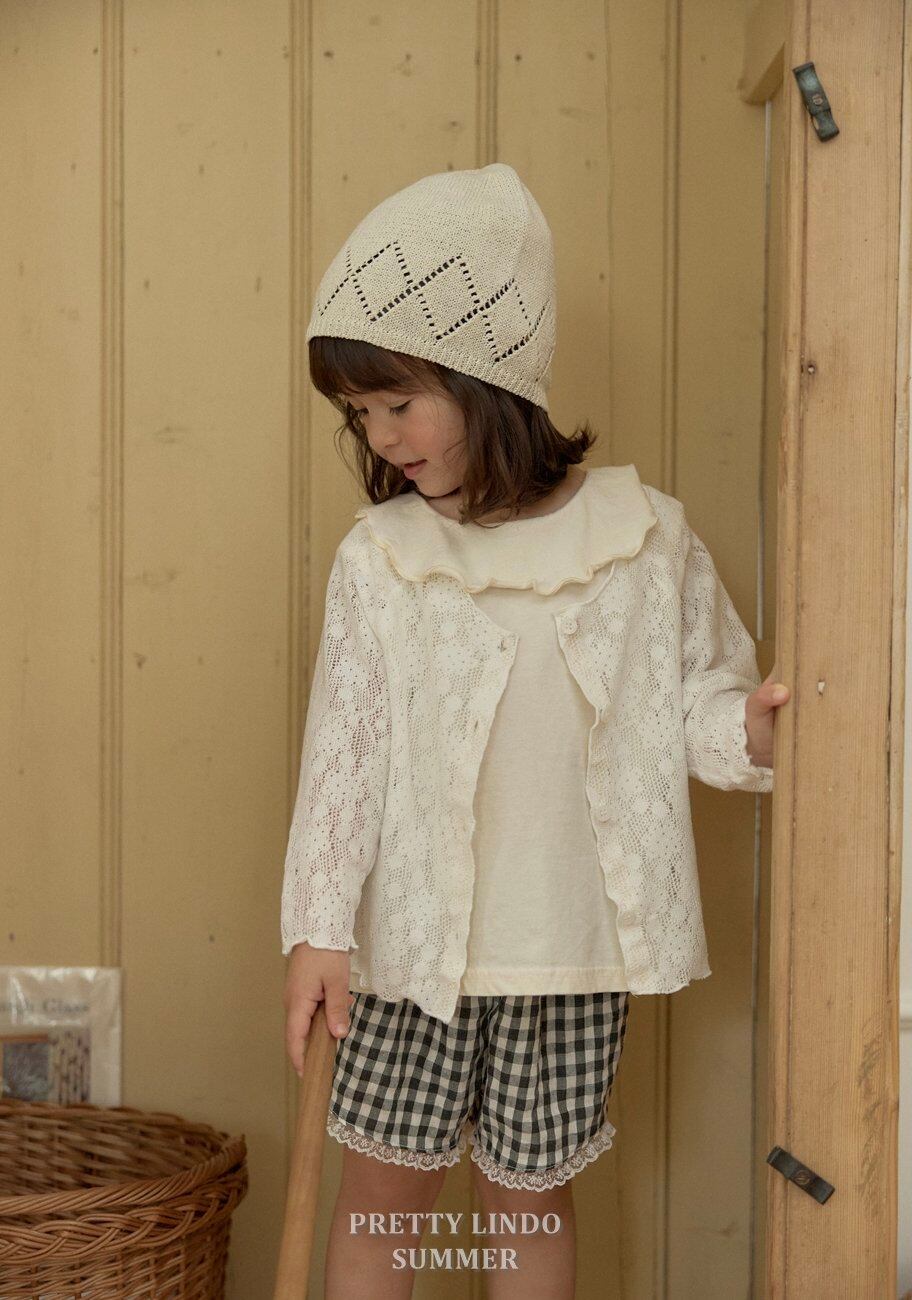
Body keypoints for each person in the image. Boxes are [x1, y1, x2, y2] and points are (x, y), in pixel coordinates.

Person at [279, 162, 790, 1299]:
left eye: (399, 403)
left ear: (489, 377)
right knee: (382, 1201)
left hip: (567, 947)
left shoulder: (643, 538)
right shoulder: (385, 558)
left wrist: (753, 735)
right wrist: (318, 928)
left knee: (529, 1204)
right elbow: (343, 758)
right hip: (410, 954)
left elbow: (697, 706)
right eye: (360, 415)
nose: (381, 436)